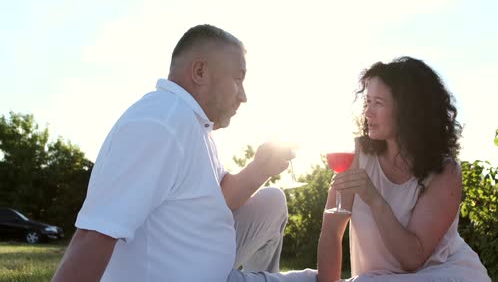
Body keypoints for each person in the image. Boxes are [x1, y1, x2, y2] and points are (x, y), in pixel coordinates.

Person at [52, 24, 316, 282]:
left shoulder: (191, 123)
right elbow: (94, 233)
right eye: (238, 79)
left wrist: (260, 168)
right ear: (200, 72)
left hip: (206, 264)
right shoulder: (160, 123)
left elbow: (219, 198)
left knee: (272, 201)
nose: (243, 96)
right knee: (324, 279)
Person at [317, 57, 491, 282]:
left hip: (440, 275)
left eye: (378, 103)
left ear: (408, 111)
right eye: (367, 102)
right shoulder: (358, 154)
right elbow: (331, 231)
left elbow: (412, 258)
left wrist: (374, 198)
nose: (368, 112)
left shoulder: (444, 172)